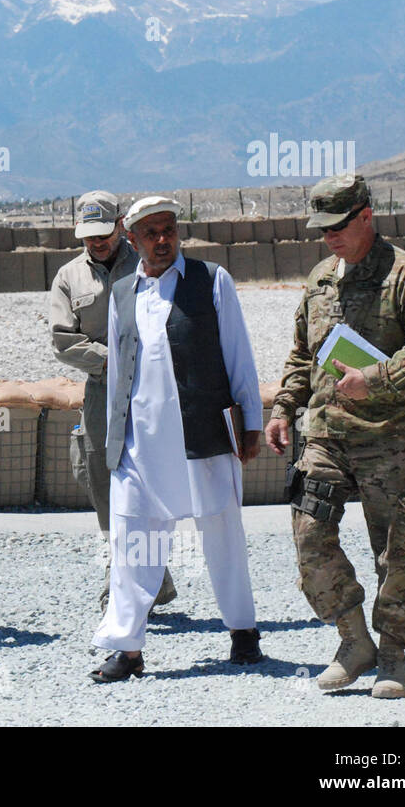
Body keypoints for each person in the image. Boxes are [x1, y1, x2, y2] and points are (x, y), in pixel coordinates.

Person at [266, 174, 405, 698]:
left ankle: (393, 657)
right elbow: (304, 352)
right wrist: (285, 407)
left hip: (390, 435)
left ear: (366, 217)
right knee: (309, 536)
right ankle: (354, 642)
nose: (328, 237)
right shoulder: (321, 277)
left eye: (338, 226)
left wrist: (374, 380)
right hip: (326, 432)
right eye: (321, 228)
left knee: (395, 550)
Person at [90, 196, 266, 682]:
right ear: (132, 239)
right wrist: (113, 440)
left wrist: (250, 422)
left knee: (222, 531)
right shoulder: (123, 292)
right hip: (138, 444)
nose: (162, 240)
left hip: (202, 431)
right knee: (133, 541)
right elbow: (118, 374)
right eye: (151, 233)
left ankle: (243, 630)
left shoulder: (212, 280)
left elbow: (239, 355)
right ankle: (127, 647)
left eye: (169, 230)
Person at [50, 191, 176, 613]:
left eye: (103, 235)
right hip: (103, 389)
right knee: (102, 477)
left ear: (121, 226)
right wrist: (115, 361)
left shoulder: (147, 262)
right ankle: (129, 569)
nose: (96, 243)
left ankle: (144, 572)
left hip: (153, 386)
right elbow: (64, 341)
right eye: (88, 237)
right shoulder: (69, 277)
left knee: (149, 475)